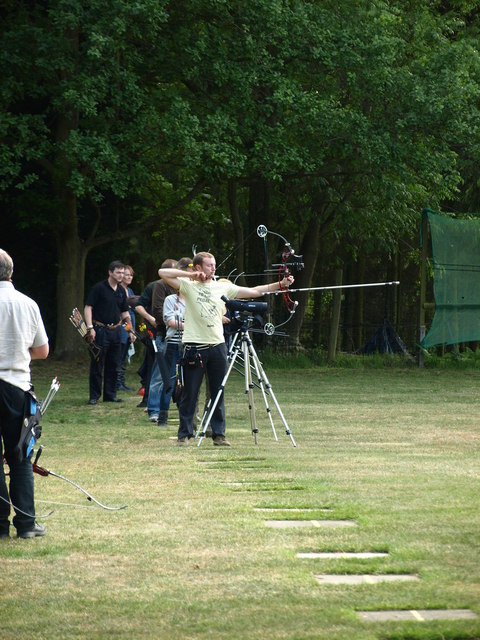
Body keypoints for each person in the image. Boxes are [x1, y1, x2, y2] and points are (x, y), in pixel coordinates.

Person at [158, 251, 293, 446]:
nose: (213, 268)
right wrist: (190, 276)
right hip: (195, 346)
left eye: (214, 265)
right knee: (190, 393)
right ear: (198, 268)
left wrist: (281, 285)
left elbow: (255, 291)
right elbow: (162, 273)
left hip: (218, 346)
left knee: (217, 392)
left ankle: (219, 434)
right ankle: (184, 435)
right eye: (209, 265)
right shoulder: (188, 286)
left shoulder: (221, 287)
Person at [0, 249, 49, 539]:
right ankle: (27, 524)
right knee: (19, 455)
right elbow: (42, 350)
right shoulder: (27, 303)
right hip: (16, 387)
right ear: (11, 271)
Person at [147, 258, 192, 423]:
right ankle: (158, 412)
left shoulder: (192, 300)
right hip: (170, 341)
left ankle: (185, 413)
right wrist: (190, 325)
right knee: (166, 379)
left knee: (187, 381)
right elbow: (167, 319)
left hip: (188, 343)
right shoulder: (168, 296)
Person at [84, 260, 134, 405]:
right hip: (100, 330)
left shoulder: (120, 291)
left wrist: (130, 330)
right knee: (97, 364)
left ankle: (110, 395)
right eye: (118, 272)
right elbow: (88, 307)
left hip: (116, 331)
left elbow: (125, 313)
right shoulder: (98, 288)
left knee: (114, 364)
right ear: (110, 272)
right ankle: (94, 396)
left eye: (122, 273)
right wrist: (90, 328)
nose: (121, 276)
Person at [117, 265, 136, 391]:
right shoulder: (118, 290)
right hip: (121, 325)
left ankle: (121, 381)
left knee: (124, 354)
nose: (129, 277)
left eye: (131, 275)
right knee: (119, 353)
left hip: (130, 323)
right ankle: (117, 382)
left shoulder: (130, 291)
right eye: (127, 274)